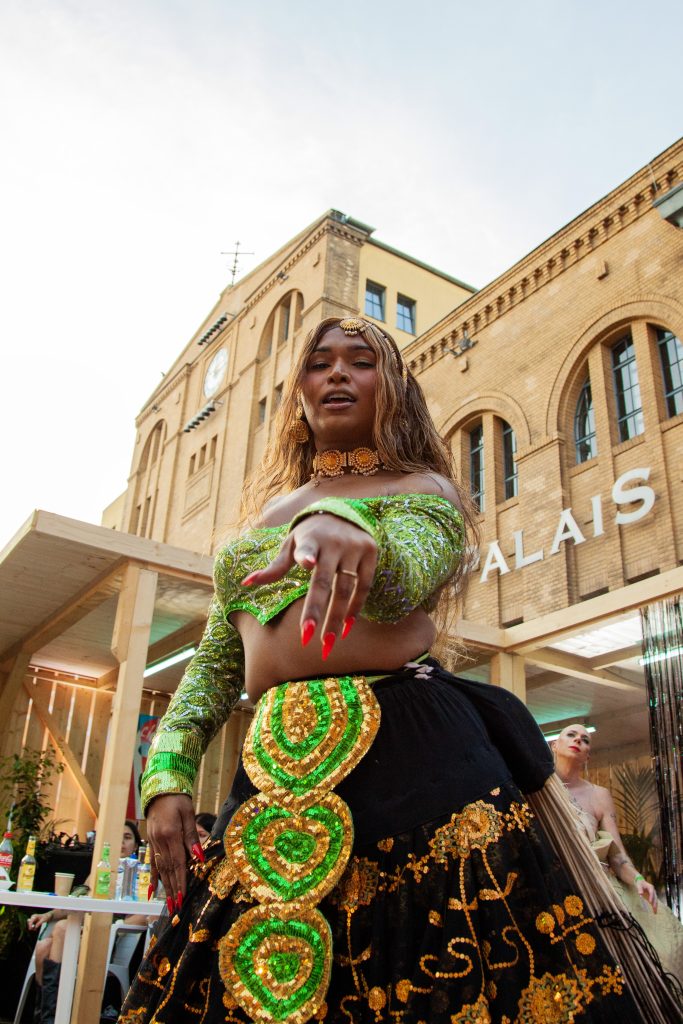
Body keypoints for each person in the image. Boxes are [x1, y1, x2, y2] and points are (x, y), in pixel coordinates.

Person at [120, 317, 679, 1023]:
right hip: (272, 774)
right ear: (297, 392)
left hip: (416, 759)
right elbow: (211, 667)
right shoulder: (261, 521)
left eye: (361, 362)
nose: (336, 374)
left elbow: (405, 575)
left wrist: (345, 529)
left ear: (394, 390)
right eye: (318, 362)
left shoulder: (425, 490)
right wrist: (167, 775)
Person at [552, 722, 683, 985]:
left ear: (588, 756)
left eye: (585, 739)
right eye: (571, 735)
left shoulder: (599, 795)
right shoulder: (539, 791)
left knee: (656, 954)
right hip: (556, 886)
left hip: (599, 888)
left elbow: (617, 854)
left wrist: (637, 879)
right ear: (554, 745)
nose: (579, 739)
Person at [28, 821, 146, 1023]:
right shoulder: (101, 870)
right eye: (117, 836)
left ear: (136, 845)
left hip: (109, 940)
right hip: (83, 932)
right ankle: (51, 1016)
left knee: (64, 929)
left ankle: (52, 1018)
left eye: (127, 837)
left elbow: (145, 916)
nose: (122, 842)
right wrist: (48, 915)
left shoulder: (141, 873)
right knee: (42, 948)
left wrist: (111, 929)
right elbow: (78, 901)